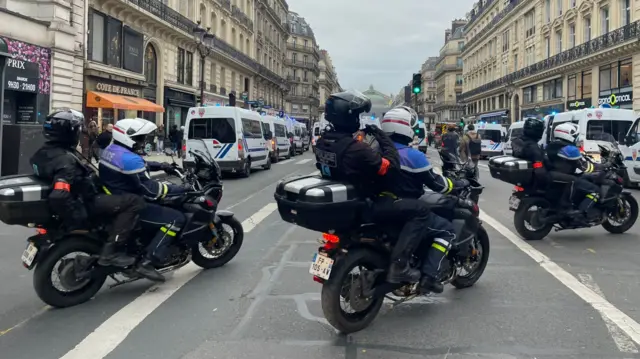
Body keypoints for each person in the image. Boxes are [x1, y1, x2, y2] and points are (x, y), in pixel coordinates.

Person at [315, 90, 437, 290]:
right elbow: (391, 165)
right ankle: (400, 266)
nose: (358, 119)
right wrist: (381, 136)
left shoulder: (322, 143)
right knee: (421, 212)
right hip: (369, 202)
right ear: (348, 117)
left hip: (347, 200)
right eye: (356, 115)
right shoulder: (356, 149)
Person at [30, 109, 145, 268]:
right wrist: (77, 219)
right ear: (68, 132)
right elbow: (59, 195)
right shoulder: (65, 161)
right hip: (87, 201)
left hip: (82, 197)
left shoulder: (42, 152)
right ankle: (112, 252)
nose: (80, 133)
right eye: (77, 129)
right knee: (135, 202)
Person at [380, 106, 470, 292]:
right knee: (447, 231)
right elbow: (439, 185)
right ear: (406, 128)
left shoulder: (375, 151)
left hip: (378, 206)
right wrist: (458, 183)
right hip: (405, 208)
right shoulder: (412, 156)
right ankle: (429, 276)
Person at [99, 118, 190, 282]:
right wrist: (181, 189)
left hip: (115, 196)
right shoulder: (129, 159)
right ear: (128, 137)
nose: (143, 141)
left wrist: (162, 166)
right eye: (140, 138)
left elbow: (139, 165)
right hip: (130, 203)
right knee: (176, 219)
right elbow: (151, 190)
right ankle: (148, 261)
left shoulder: (112, 150)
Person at [545, 123, 603, 221]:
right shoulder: (569, 149)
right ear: (568, 134)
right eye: (575, 135)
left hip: (554, 173)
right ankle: (582, 213)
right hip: (566, 176)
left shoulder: (551, 145)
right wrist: (601, 166)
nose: (576, 138)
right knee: (596, 191)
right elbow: (584, 167)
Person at [511, 117, 548, 187]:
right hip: (533, 182)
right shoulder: (533, 147)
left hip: (523, 178)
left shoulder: (517, 141)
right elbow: (539, 168)